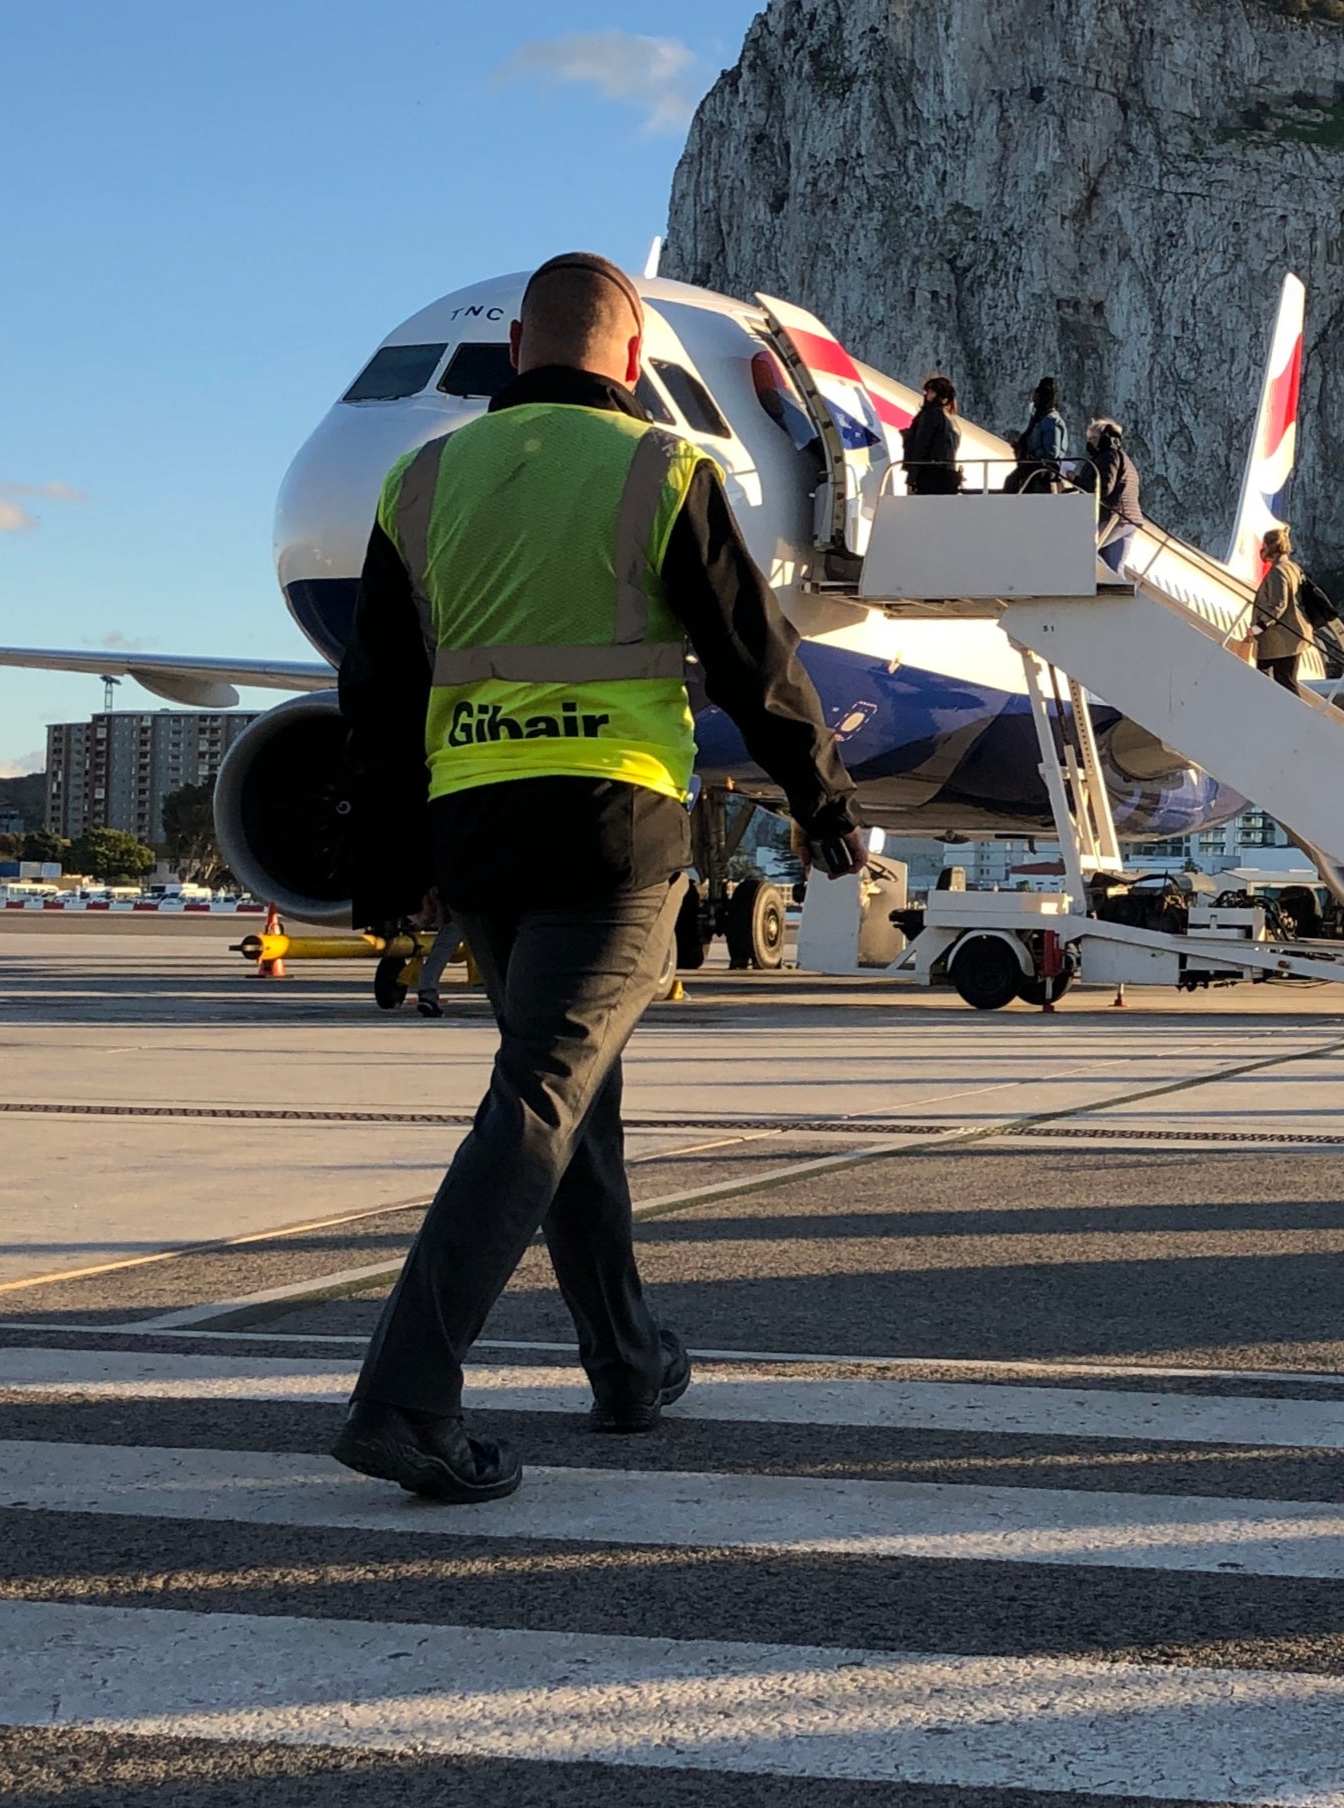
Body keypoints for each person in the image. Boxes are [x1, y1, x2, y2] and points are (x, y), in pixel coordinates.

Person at [335, 251, 861, 1504]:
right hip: (613, 832)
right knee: (537, 1105)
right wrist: (824, 803)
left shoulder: (418, 480)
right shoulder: (661, 466)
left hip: (476, 837)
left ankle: (627, 1363)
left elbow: (374, 696)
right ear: (630, 359)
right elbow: (756, 661)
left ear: (519, 347)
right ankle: (405, 1395)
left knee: (577, 1109)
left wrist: (383, 864)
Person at [1238, 525, 1315, 687]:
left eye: (1264, 547)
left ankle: (1292, 712)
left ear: (1270, 548)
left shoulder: (1278, 572)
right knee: (1285, 680)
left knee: (1278, 682)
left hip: (1280, 640)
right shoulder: (1293, 568)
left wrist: (1256, 629)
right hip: (1295, 636)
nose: (1262, 551)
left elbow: (1278, 606)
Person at [1080, 416, 1145, 572]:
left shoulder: (1108, 457)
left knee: (1083, 550)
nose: (1091, 443)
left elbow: (1104, 487)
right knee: (1115, 568)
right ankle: (1121, 595)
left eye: (1094, 438)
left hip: (1114, 517)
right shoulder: (1124, 458)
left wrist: (1076, 480)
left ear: (1105, 438)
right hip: (1130, 519)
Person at [901, 373, 964, 495]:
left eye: (931, 392)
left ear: (939, 396)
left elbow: (921, 445)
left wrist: (912, 477)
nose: (927, 394)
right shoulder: (952, 420)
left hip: (929, 476)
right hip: (948, 476)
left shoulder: (930, 415)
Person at [1011, 378, 1069, 494]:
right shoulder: (1039, 419)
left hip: (1043, 476)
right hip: (1032, 471)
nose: (1033, 401)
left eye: (1036, 397)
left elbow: (1052, 452)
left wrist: (1031, 454)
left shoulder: (1051, 421)